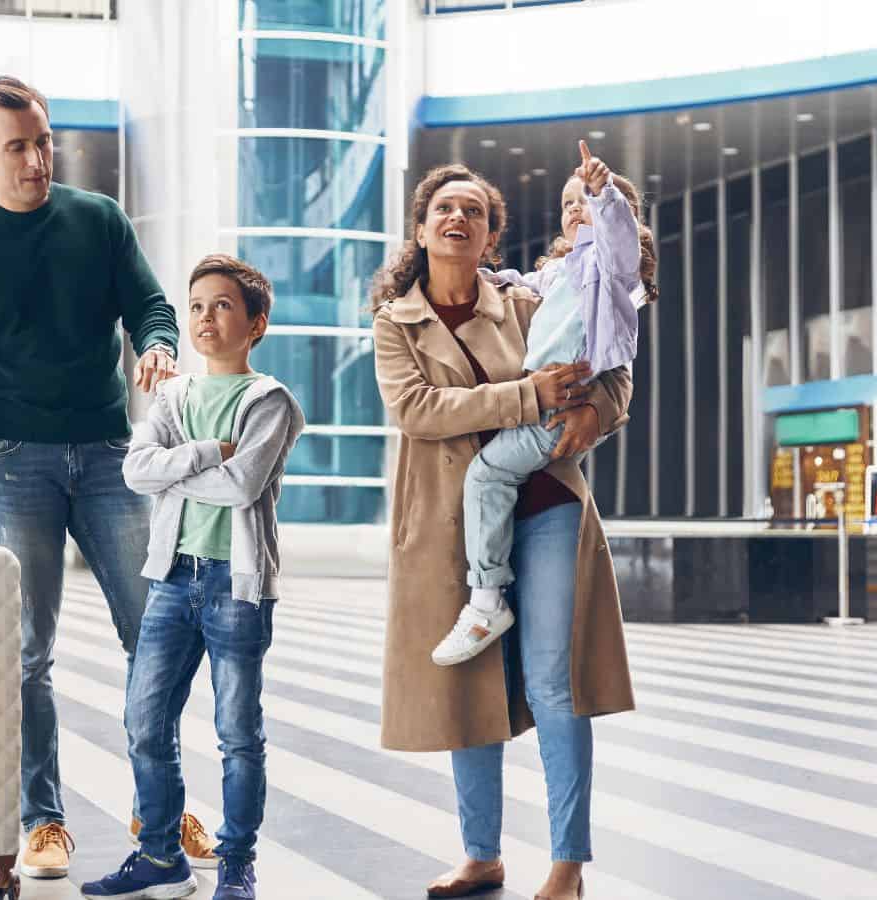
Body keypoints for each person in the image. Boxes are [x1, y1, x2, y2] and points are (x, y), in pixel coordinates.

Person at [0, 75, 208, 880]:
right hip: (13, 461)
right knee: (28, 652)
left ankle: (163, 811)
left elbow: (150, 302)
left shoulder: (96, 219)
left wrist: (156, 346)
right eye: (18, 148)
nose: (38, 160)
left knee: (155, 635)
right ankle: (43, 820)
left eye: (44, 142)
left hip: (112, 456)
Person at [370, 163, 636, 900]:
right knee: (468, 685)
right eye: (444, 208)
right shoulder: (396, 324)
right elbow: (418, 411)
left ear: (490, 236)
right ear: (421, 231)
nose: (458, 218)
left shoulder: (526, 300)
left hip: (546, 501)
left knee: (554, 680)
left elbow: (609, 368)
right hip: (446, 520)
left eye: (475, 211)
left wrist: (593, 414)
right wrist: (526, 396)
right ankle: (481, 855)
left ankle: (567, 865)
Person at [84, 254, 303, 900]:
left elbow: (241, 488)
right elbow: (135, 470)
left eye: (224, 306)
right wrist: (208, 451)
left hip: (237, 586)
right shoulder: (174, 396)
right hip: (172, 580)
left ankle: (237, 864)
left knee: (238, 735)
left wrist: (175, 467)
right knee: (145, 722)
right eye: (198, 306)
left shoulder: (271, 402)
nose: (206, 319)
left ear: (256, 324)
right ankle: (159, 856)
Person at [433, 142, 655, 666]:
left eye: (587, 201)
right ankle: (489, 591)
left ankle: (486, 599)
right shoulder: (563, 271)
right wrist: (492, 278)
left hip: (562, 403)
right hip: (544, 399)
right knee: (494, 478)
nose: (576, 208)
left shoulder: (611, 269)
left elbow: (619, 244)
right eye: (568, 203)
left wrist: (605, 197)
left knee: (487, 476)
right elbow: (527, 284)